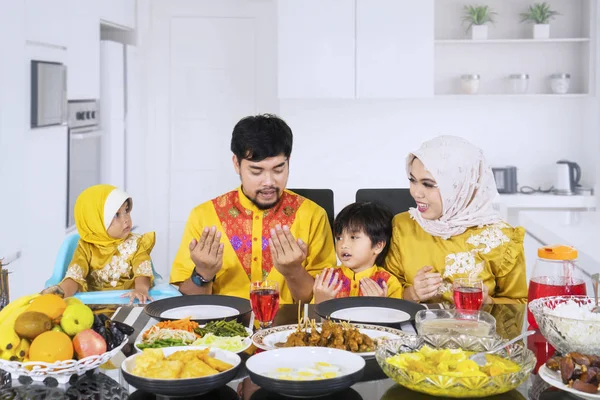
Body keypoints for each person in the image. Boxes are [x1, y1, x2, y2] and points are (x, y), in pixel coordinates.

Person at [170, 114, 336, 303]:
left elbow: (319, 303)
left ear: (288, 161)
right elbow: (183, 303)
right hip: (222, 329)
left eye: (278, 169)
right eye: (256, 171)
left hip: (287, 330)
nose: (269, 181)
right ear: (236, 164)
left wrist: (294, 271)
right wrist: (203, 273)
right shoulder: (204, 216)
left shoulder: (313, 215)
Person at [384, 135, 527, 305]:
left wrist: (488, 302)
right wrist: (412, 293)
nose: (416, 192)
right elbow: (384, 293)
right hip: (412, 331)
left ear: (460, 187)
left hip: (478, 330)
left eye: (428, 184)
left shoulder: (502, 239)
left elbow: (520, 304)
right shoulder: (403, 225)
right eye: (412, 180)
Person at [46, 184, 155, 304]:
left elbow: (142, 271)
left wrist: (140, 289)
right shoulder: (85, 247)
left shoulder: (136, 243)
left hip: (129, 302)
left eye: (126, 211)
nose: (126, 219)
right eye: (116, 215)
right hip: (94, 306)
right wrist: (58, 296)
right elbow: (75, 277)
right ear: (95, 221)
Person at [312, 202, 403, 303]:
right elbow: (308, 318)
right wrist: (319, 303)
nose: (343, 245)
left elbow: (397, 318)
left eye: (353, 237)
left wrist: (379, 306)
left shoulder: (389, 283)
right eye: (339, 238)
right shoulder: (327, 279)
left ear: (378, 246)